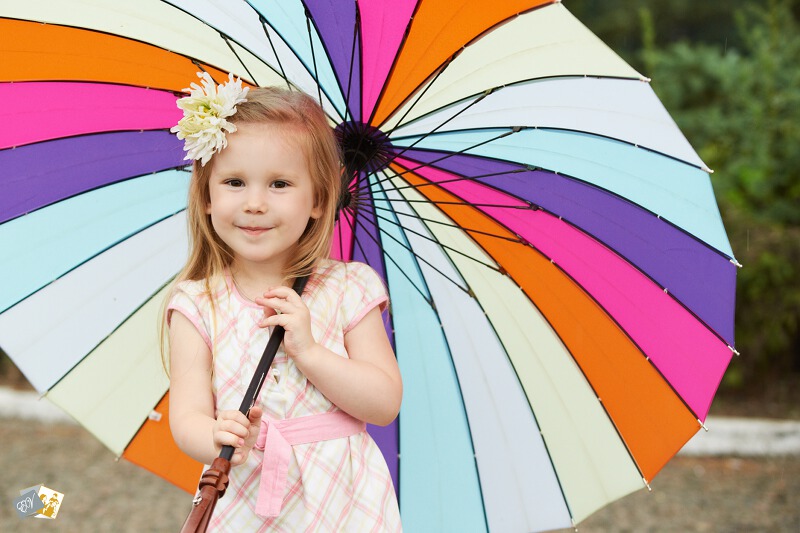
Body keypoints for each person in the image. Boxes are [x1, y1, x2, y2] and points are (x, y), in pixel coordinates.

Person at [164, 72, 403, 531]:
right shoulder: (198, 302)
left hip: (344, 501)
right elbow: (187, 416)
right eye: (234, 182)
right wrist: (215, 435)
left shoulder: (350, 287)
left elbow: (384, 402)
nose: (255, 203)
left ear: (318, 199)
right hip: (246, 495)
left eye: (279, 184)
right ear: (207, 196)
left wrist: (310, 352)